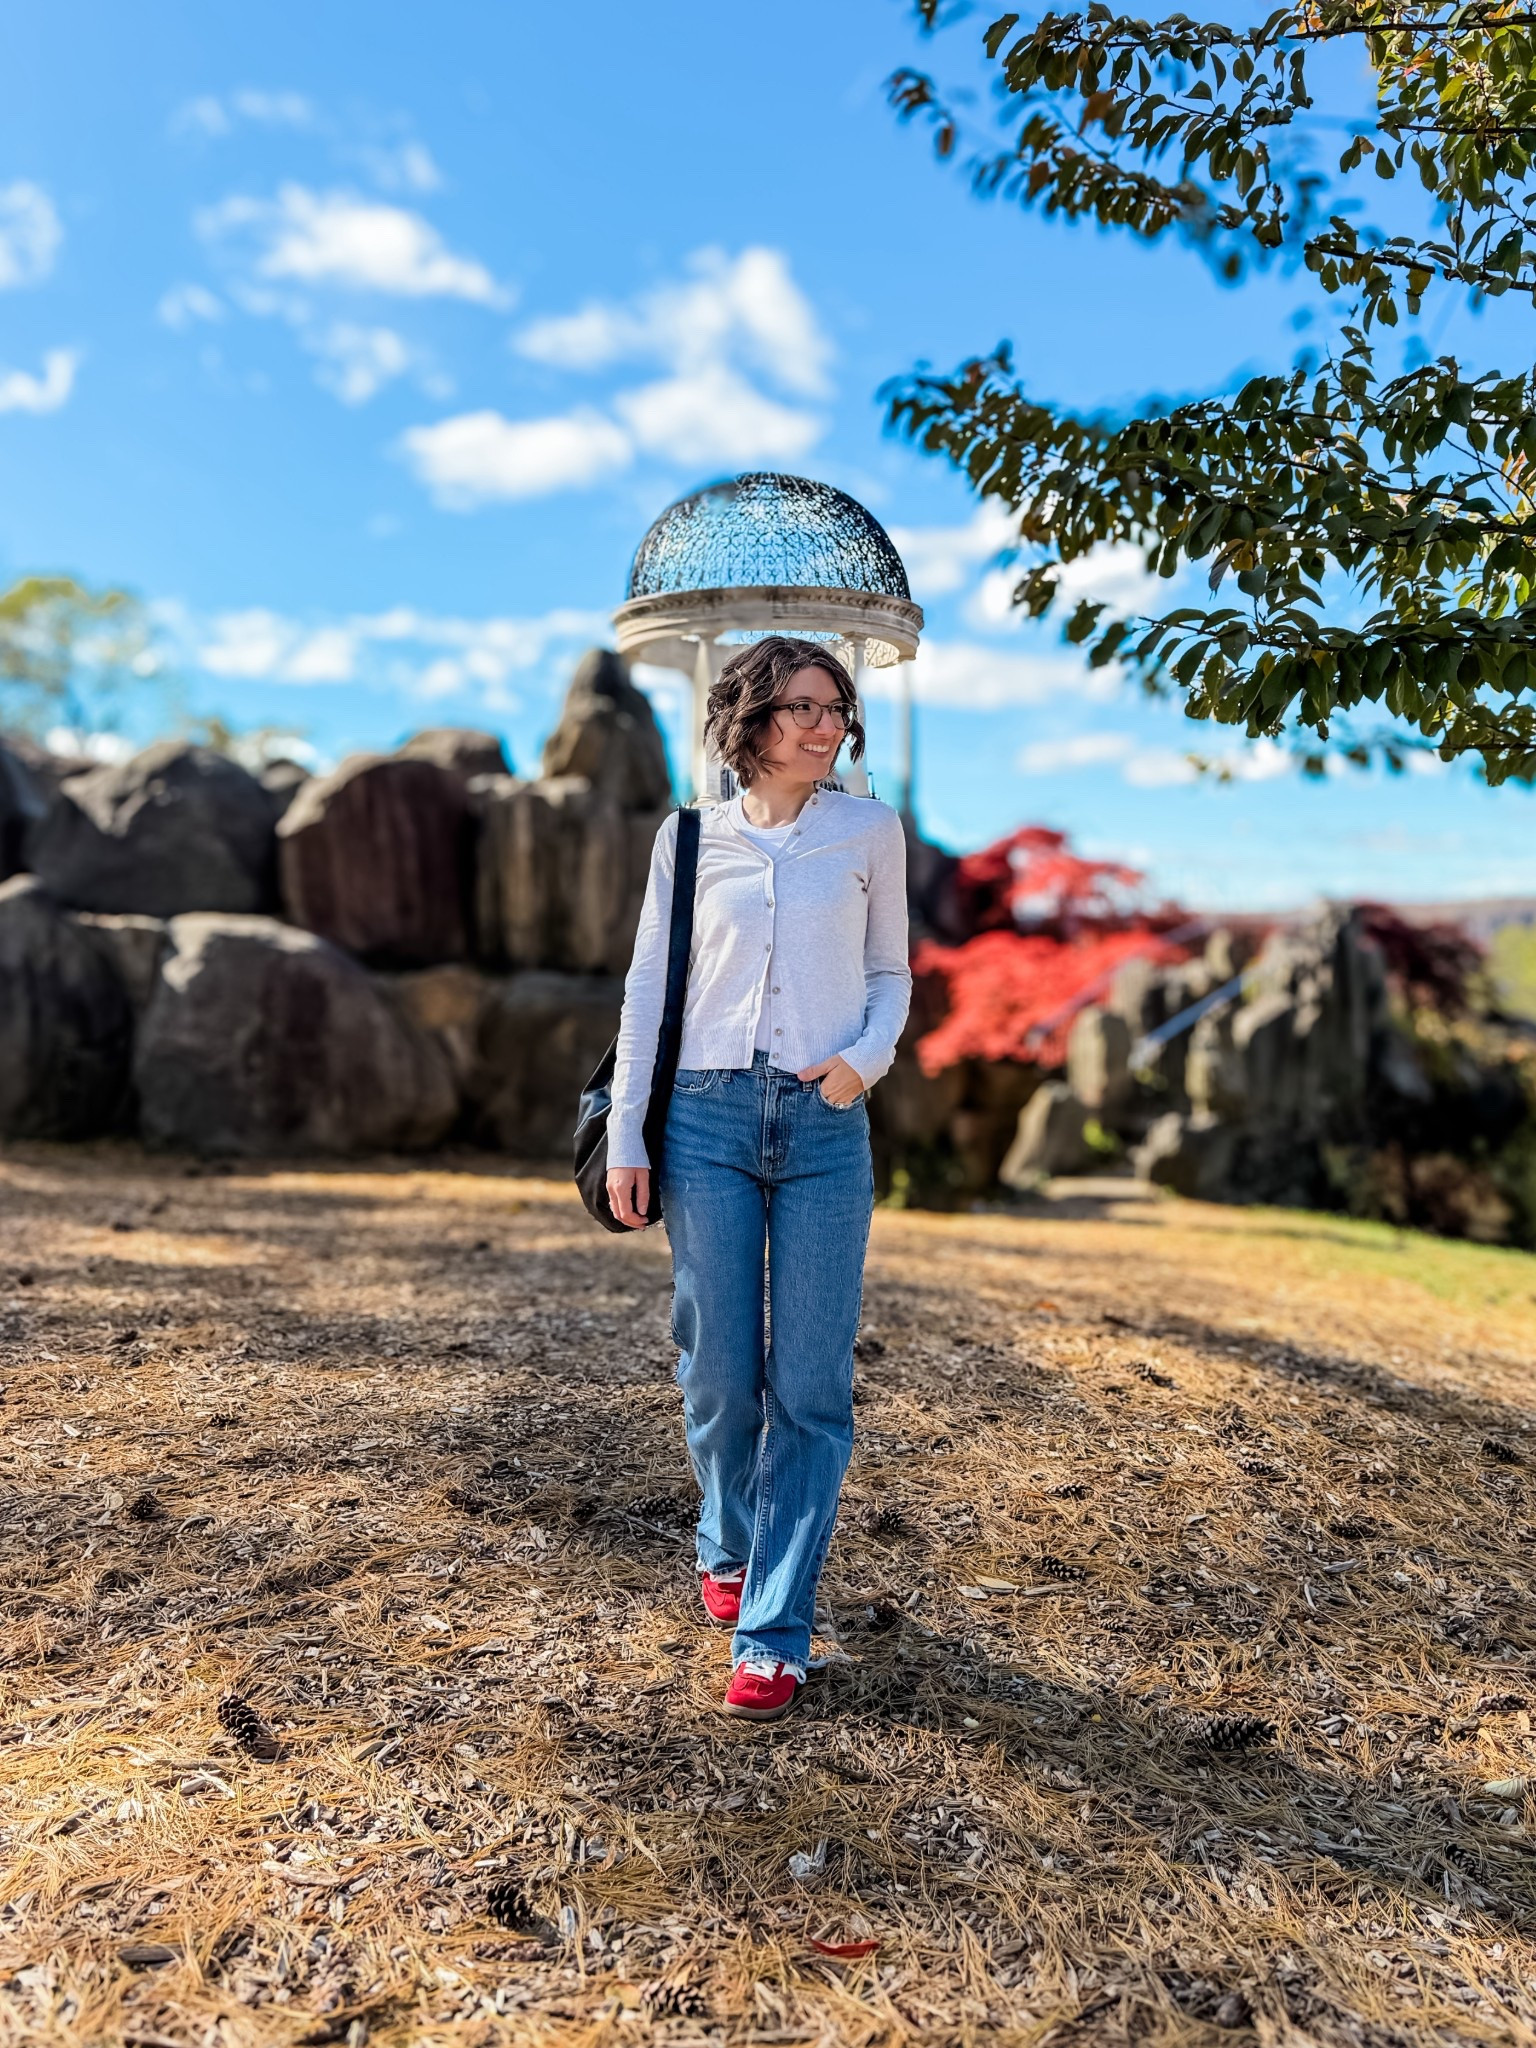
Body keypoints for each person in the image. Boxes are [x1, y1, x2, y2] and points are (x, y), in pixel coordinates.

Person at [605, 635, 911, 1721]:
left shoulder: (872, 830)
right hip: (704, 1120)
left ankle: (774, 1629)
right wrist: (631, 1135)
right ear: (747, 721)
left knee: (812, 1388)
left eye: (834, 706)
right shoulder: (688, 840)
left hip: (826, 1121)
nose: (823, 726)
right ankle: (726, 1533)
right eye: (798, 708)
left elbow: (890, 972)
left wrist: (859, 1065)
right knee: (720, 1373)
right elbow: (650, 989)